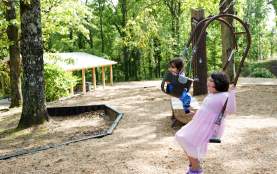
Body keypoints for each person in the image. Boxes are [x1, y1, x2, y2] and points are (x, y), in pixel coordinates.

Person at [175, 72, 236, 174]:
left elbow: (231, 110)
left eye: (211, 81)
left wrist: (232, 94)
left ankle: (195, 169)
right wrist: (196, 113)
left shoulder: (224, 96)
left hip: (210, 127)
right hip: (199, 123)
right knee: (180, 136)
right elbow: (207, 108)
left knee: (188, 142)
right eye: (208, 80)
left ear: (219, 83)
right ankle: (194, 165)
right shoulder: (212, 94)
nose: (208, 82)